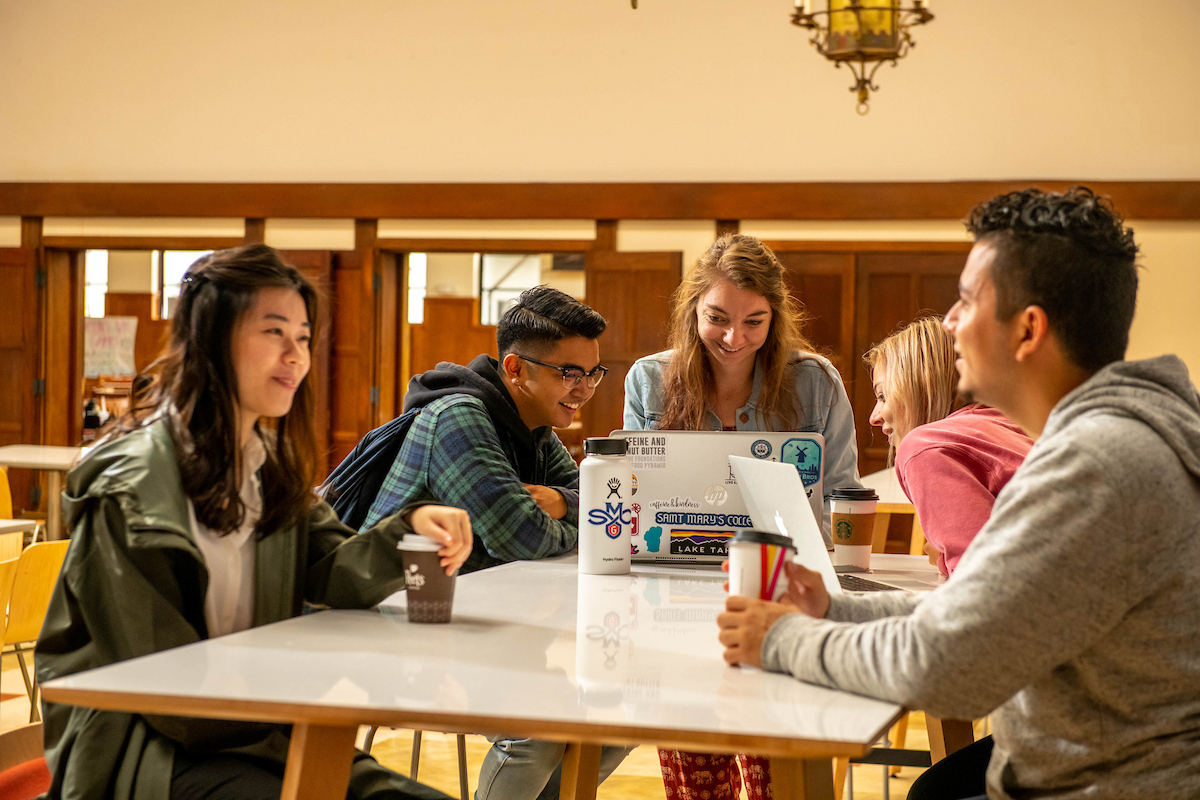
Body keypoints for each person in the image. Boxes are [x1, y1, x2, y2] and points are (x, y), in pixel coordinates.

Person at [718, 187, 1200, 800]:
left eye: (967, 301)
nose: (948, 322)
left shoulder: (1097, 464)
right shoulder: (1119, 436)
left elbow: (950, 667)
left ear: (1028, 330)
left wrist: (780, 639)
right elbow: (980, 610)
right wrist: (834, 610)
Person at [35, 245, 473, 800]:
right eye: (274, 332)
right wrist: (334, 697)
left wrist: (411, 526)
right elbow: (166, 693)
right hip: (142, 752)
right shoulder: (130, 488)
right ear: (212, 340)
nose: (297, 356)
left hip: (251, 729)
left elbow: (332, 569)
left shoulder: (266, 465)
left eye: (304, 338)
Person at [358, 285, 629, 800]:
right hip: (406, 628)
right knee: (536, 729)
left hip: (490, 622)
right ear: (516, 368)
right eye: (569, 373)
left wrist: (560, 502)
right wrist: (574, 515)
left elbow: (609, 511)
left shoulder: (537, 428)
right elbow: (524, 536)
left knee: (621, 711)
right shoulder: (458, 417)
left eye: (593, 372)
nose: (584, 388)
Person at [623, 234, 861, 800]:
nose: (735, 339)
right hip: (670, 594)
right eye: (717, 319)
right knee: (695, 769)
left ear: (776, 317)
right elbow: (633, 496)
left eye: (755, 322)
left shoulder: (815, 381)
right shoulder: (649, 380)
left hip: (782, 591)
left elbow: (843, 494)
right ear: (692, 312)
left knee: (780, 768)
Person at [866, 316, 1032, 576]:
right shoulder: (1010, 425)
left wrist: (942, 559)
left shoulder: (926, 447)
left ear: (920, 386)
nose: (873, 417)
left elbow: (982, 578)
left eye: (883, 396)